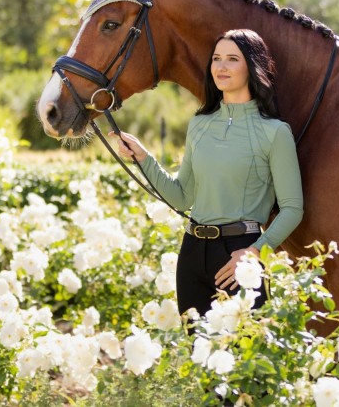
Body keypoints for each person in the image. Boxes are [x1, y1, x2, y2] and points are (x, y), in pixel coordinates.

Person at [110, 29, 303, 319]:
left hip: (238, 256)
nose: (221, 67)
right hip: (191, 253)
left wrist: (255, 252)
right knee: (196, 354)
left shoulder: (274, 132)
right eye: (216, 58)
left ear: (252, 66)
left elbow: (292, 208)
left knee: (241, 357)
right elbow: (182, 196)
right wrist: (143, 158)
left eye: (232, 59)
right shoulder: (199, 124)